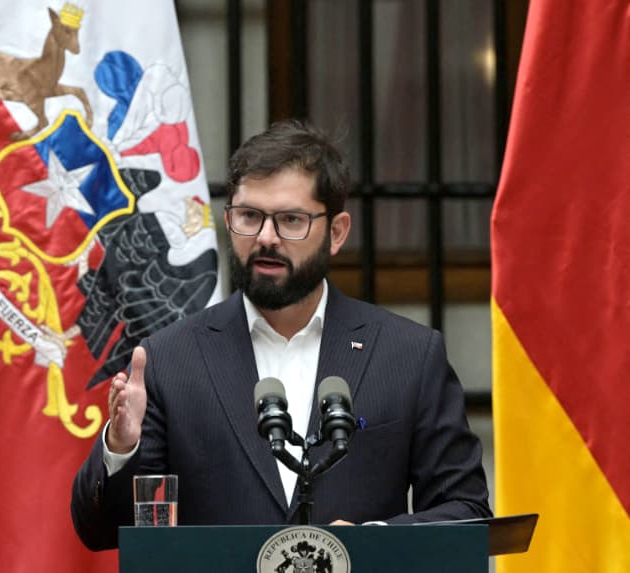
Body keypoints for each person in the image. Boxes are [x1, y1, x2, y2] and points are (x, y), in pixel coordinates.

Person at [71, 119, 491, 550]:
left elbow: (467, 511)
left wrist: (374, 544)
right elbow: (100, 531)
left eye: (291, 220)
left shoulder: (408, 355)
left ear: (337, 233)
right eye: (249, 216)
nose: (266, 238)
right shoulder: (171, 359)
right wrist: (120, 447)